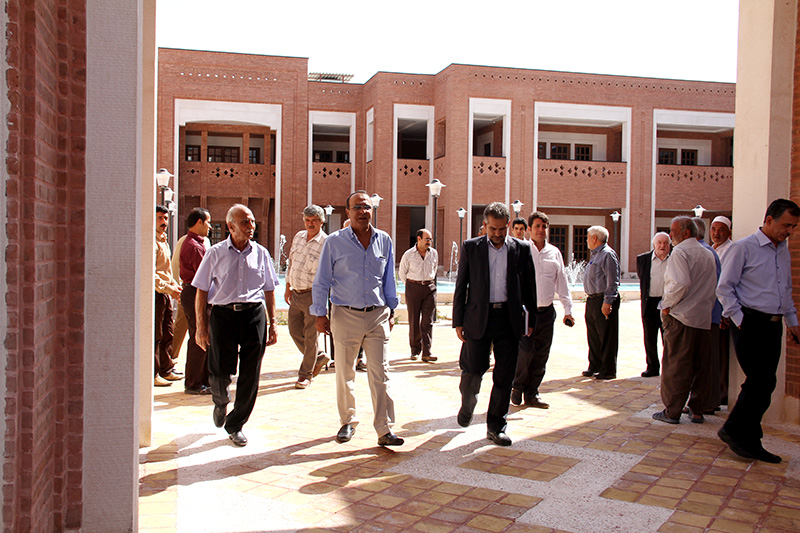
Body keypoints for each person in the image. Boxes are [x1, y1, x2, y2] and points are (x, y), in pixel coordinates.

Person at [311, 191, 403, 447]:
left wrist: (392, 309)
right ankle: (347, 421)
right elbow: (322, 280)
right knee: (345, 371)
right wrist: (319, 313)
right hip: (345, 314)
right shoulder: (334, 242)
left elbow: (388, 278)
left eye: (367, 207)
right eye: (357, 207)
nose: (363, 211)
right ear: (348, 212)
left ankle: (384, 429)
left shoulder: (384, 240)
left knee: (380, 373)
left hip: (377, 315)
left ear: (372, 210)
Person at [716, 198, 800, 463]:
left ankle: (748, 438)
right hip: (750, 323)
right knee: (759, 382)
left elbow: (785, 289)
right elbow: (724, 288)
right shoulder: (743, 248)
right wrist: (740, 320)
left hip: (773, 326)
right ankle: (735, 431)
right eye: (787, 225)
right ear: (769, 220)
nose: (790, 231)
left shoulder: (782, 250)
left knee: (765, 383)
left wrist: (793, 323)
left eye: (794, 227)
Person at [193, 204, 279, 447]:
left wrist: (273, 323)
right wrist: (201, 326)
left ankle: (236, 424)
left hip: (254, 315)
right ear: (230, 226)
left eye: (252, 221)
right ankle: (221, 400)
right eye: (245, 222)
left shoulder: (261, 253)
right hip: (223, 316)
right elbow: (201, 290)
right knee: (220, 371)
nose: (251, 226)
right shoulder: (215, 253)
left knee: (251, 375)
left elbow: (269, 289)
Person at [453, 202, 537, 446]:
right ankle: (468, 403)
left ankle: (496, 426)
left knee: (505, 375)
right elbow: (461, 285)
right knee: (473, 370)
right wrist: (458, 320)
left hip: (509, 319)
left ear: (508, 225)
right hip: (478, 318)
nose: (498, 234)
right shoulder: (471, 247)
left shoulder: (521, 249)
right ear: (485, 225)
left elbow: (530, 286)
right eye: (493, 229)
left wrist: (531, 319)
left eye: (502, 229)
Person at [652, 217, 717, 425]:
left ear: (686, 232)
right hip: (702, 318)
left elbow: (680, 283)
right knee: (701, 366)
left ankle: (672, 411)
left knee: (677, 366)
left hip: (682, 317)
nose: (670, 235)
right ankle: (697, 410)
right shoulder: (708, 253)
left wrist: (666, 305)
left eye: (672, 231)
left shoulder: (680, 252)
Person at [511, 211, 572, 409]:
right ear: (529, 229)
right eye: (537, 226)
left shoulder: (554, 253)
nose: (540, 230)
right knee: (525, 351)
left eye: (544, 226)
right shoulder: (521, 250)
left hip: (546, 312)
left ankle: (532, 393)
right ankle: (517, 386)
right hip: (526, 313)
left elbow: (562, 281)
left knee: (541, 355)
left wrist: (568, 309)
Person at [285, 205, 329, 389]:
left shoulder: (326, 243)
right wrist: (288, 286)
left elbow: (327, 273)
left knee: (311, 337)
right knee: (294, 330)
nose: (310, 224)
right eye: (307, 220)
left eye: (314, 221)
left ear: (321, 222)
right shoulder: (298, 237)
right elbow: (291, 262)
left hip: (312, 294)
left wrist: (322, 300)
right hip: (296, 293)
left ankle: (305, 375)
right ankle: (318, 357)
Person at [179, 207, 212, 395]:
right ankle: (193, 383)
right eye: (208, 222)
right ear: (199, 222)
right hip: (195, 293)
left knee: (203, 336)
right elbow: (204, 276)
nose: (209, 227)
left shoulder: (195, 243)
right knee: (199, 336)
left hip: (195, 292)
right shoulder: (194, 246)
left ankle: (203, 380)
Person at [582, 226, 620, 380]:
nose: (586, 240)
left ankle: (608, 370)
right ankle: (595, 365)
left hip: (603, 299)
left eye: (588, 237)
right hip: (592, 300)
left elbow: (613, 281)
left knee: (606, 336)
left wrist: (608, 301)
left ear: (594, 238)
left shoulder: (607, 254)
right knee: (593, 335)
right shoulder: (595, 254)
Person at [693, 217, 723, 414]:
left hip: (706, 316)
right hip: (706, 315)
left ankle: (707, 402)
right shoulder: (708, 251)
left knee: (706, 361)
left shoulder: (703, 252)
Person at [398, 229, 438, 363]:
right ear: (419, 239)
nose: (429, 242)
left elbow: (434, 270)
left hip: (429, 288)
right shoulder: (408, 254)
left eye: (430, 239)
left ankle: (427, 351)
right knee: (414, 320)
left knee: (428, 321)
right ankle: (415, 350)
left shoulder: (434, 253)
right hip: (413, 288)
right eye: (427, 239)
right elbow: (402, 273)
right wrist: (411, 285)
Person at [154, 205, 183, 387]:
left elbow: (166, 271)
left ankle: (166, 369)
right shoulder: (152, 242)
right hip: (157, 294)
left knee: (167, 333)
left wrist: (174, 286)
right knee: (156, 335)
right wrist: (169, 289)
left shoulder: (163, 241)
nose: (164, 222)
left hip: (165, 294)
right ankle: (154, 372)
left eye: (165, 218)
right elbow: (152, 274)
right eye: (159, 218)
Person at [636, 232, 670, 378]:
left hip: (668, 303)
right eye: (659, 243)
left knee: (668, 337)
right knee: (649, 337)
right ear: (654, 244)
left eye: (666, 243)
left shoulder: (674, 259)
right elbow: (642, 278)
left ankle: (669, 367)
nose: (662, 245)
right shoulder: (643, 259)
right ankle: (652, 367)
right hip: (650, 302)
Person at [710, 214, 733, 406]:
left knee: (723, 355)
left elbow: (727, 284)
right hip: (710, 310)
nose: (716, 233)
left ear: (729, 232)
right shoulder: (712, 249)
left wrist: (725, 312)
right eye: (714, 229)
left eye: (721, 230)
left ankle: (722, 393)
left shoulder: (731, 251)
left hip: (723, 312)